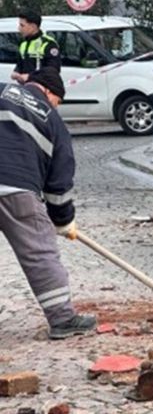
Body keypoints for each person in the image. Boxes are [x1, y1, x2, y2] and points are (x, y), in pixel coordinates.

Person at [0, 67, 96, 340]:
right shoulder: (52, 119)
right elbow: (59, 182)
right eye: (58, 102)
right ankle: (63, 319)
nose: (56, 107)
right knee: (39, 253)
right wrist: (63, 220)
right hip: (15, 188)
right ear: (49, 93)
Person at [11, 10, 61, 85]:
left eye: (22, 25)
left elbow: (53, 70)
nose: (19, 29)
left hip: (43, 88)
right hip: (26, 88)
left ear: (33, 26)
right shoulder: (23, 44)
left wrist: (30, 76)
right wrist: (16, 72)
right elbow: (20, 64)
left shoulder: (48, 43)